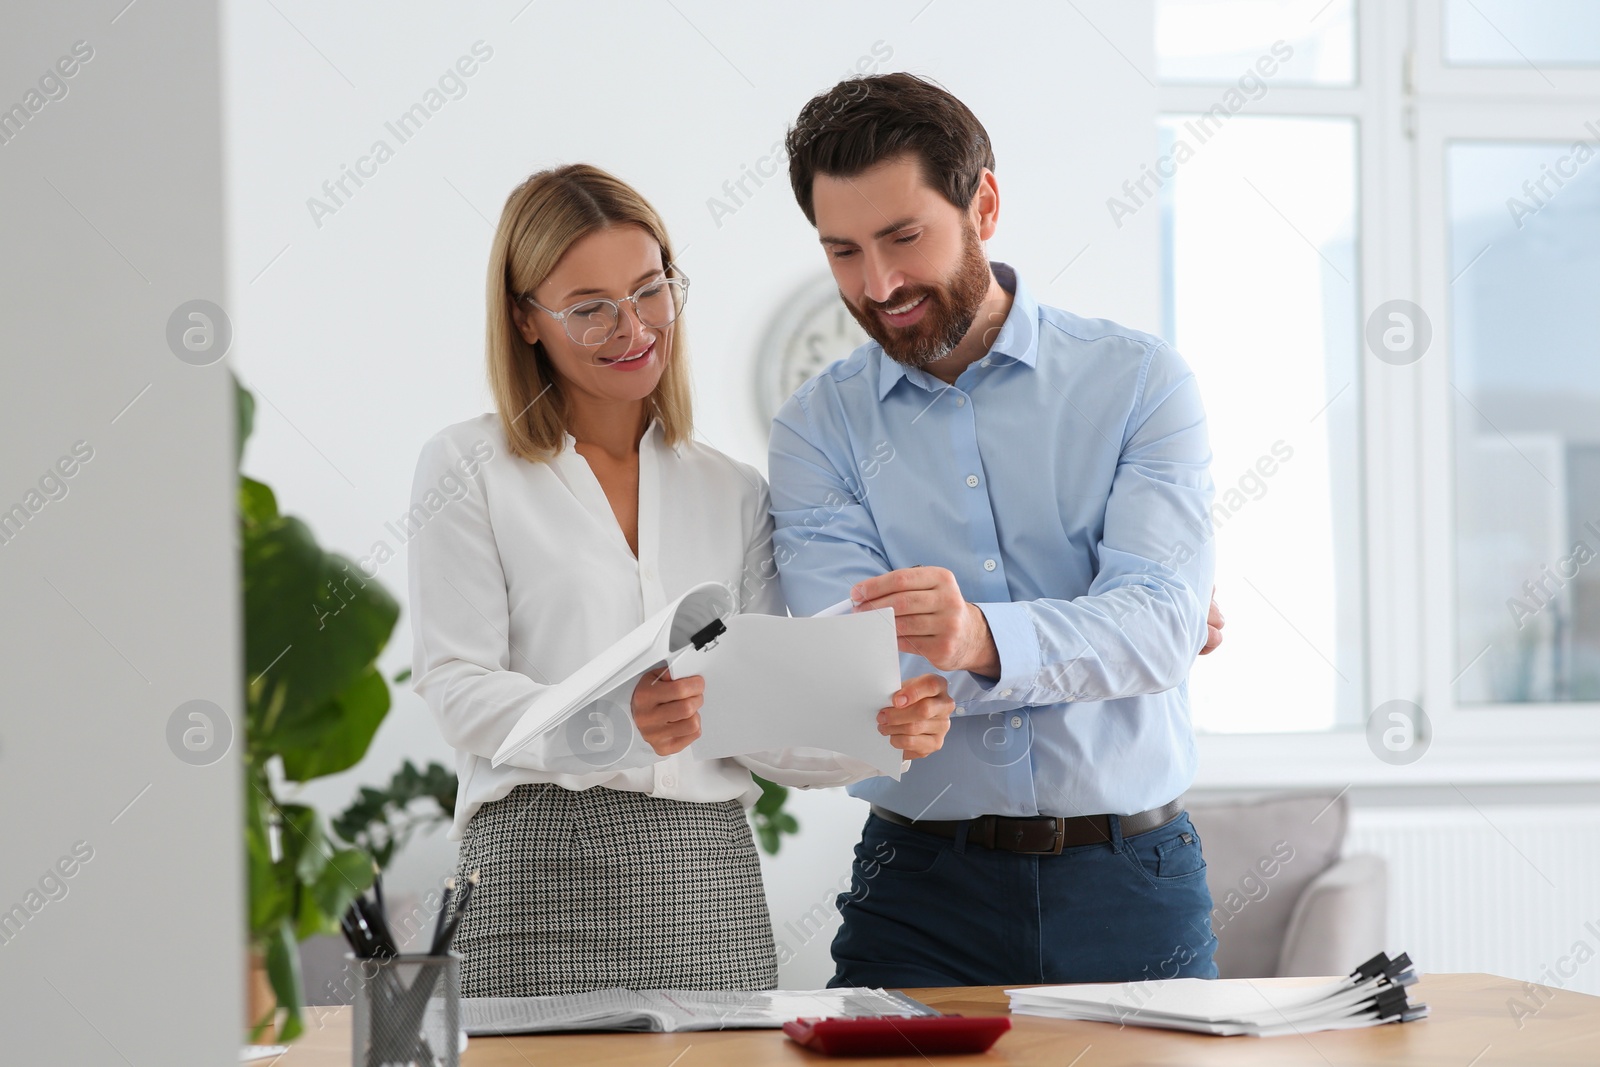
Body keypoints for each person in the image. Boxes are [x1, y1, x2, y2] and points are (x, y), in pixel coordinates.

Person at [406, 163, 956, 997]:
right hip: (533, 879)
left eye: (649, 289)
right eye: (589, 307)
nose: (632, 327)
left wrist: (877, 728)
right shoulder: (470, 467)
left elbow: (763, 718)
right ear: (525, 320)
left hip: (707, 887)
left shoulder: (730, 488)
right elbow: (457, 685)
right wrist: (608, 718)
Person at [767, 73, 1227, 988]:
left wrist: (977, 638)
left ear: (983, 202)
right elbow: (851, 669)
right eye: (844, 251)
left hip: (1132, 882)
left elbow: (1162, 627)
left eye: (904, 237)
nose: (879, 283)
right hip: (918, 891)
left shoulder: (1140, 383)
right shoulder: (817, 430)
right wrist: (1094, 635)